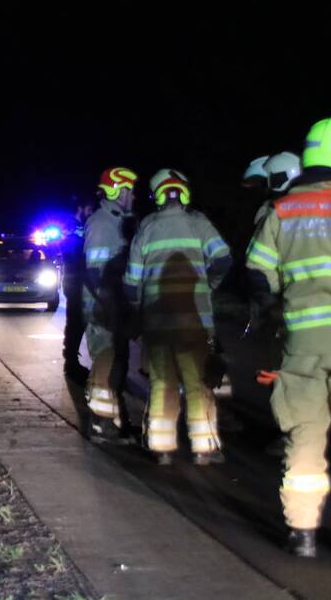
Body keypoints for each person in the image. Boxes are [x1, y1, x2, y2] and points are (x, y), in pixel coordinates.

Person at [247, 115, 331, 561]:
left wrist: (274, 307)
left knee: (303, 438)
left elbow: (257, 272)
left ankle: (301, 534)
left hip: (301, 345)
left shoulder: (283, 210)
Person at [124, 169, 231, 466]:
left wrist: (139, 308)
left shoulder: (146, 227)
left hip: (157, 324)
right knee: (198, 383)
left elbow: (131, 282)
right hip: (196, 323)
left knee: (162, 383)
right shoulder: (199, 223)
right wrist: (209, 285)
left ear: (157, 195)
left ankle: (161, 448)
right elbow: (223, 259)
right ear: (184, 192)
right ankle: (204, 448)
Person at [83, 167, 138, 443]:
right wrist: (107, 306)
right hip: (103, 307)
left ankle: (116, 421)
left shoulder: (118, 221)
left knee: (118, 362)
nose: (133, 196)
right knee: (107, 361)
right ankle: (101, 422)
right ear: (118, 191)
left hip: (114, 305)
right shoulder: (102, 224)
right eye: (130, 191)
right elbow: (95, 272)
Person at [63, 195, 95, 381]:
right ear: (81, 208)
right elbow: (75, 253)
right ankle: (71, 364)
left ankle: (72, 362)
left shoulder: (76, 226)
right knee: (76, 323)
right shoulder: (73, 227)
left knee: (77, 323)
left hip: (75, 280)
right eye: (89, 209)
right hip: (76, 281)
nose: (90, 213)